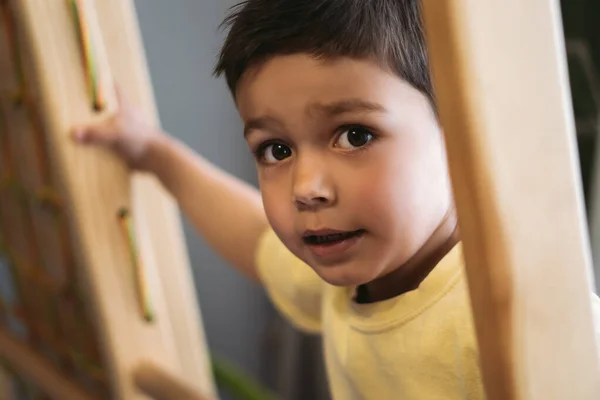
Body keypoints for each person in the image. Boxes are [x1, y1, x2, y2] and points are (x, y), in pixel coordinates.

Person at [71, 0, 600, 399]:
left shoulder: (509, 314)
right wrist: (155, 154)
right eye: (275, 149)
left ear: (459, 135)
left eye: (354, 136)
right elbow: (253, 235)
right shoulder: (348, 274)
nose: (306, 187)